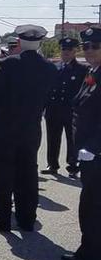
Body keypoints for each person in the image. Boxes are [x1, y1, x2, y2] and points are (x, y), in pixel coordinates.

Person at [0, 24, 57, 233]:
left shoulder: (6, 64)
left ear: (19, 42)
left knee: (3, 172)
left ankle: (2, 218)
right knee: (28, 173)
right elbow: (50, 96)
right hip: (31, 126)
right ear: (40, 43)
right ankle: (27, 218)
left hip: (5, 125)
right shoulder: (49, 68)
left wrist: (2, 109)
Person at [62, 27, 101, 260]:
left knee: (92, 205)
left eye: (94, 46)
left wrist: (95, 146)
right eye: (85, 47)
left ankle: (90, 253)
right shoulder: (93, 72)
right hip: (88, 152)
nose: (88, 51)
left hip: (96, 153)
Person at [43, 36, 88, 178]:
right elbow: (48, 88)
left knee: (72, 139)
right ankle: (52, 164)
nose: (66, 52)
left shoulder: (82, 69)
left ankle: (73, 166)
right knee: (52, 138)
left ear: (75, 51)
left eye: (69, 50)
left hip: (71, 111)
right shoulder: (54, 67)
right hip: (54, 109)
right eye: (63, 49)